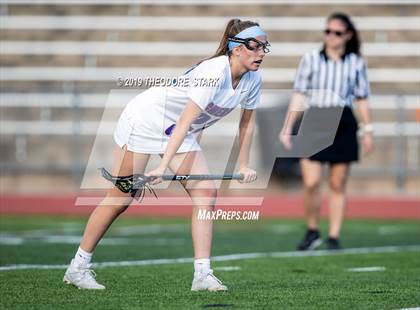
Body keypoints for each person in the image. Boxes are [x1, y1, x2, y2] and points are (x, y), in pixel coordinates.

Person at [63, 18, 269, 290]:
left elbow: (246, 123)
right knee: (122, 197)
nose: (261, 53)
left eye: (265, 47)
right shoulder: (214, 72)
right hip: (147, 119)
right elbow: (186, 120)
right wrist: (163, 167)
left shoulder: (253, 80)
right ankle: (78, 268)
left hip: (177, 131)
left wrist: (244, 163)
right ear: (236, 48)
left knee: (205, 192)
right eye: (255, 47)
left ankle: (202, 275)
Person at [279, 12, 373, 250]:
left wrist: (368, 129)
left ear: (348, 35)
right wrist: (288, 127)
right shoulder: (310, 59)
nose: (331, 36)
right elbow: (299, 94)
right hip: (315, 119)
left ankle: (333, 236)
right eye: (328, 31)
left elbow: (361, 98)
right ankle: (312, 230)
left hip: (343, 120)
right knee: (310, 182)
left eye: (337, 32)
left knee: (337, 183)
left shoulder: (356, 62)